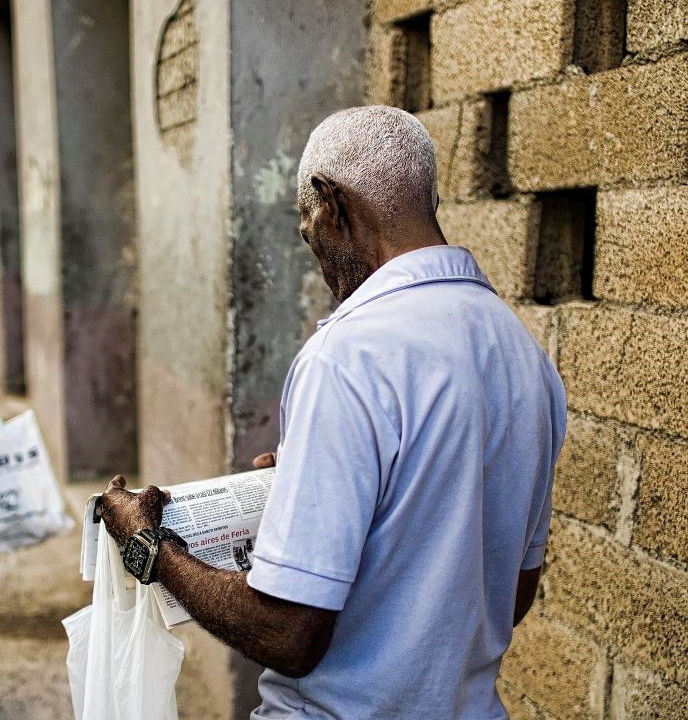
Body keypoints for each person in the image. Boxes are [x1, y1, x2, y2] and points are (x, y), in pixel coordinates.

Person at [99, 106, 567, 719]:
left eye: (307, 230)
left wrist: (151, 548)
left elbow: (288, 633)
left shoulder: (345, 357)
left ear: (330, 203)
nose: (316, 256)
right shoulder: (525, 357)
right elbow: (509, 594)